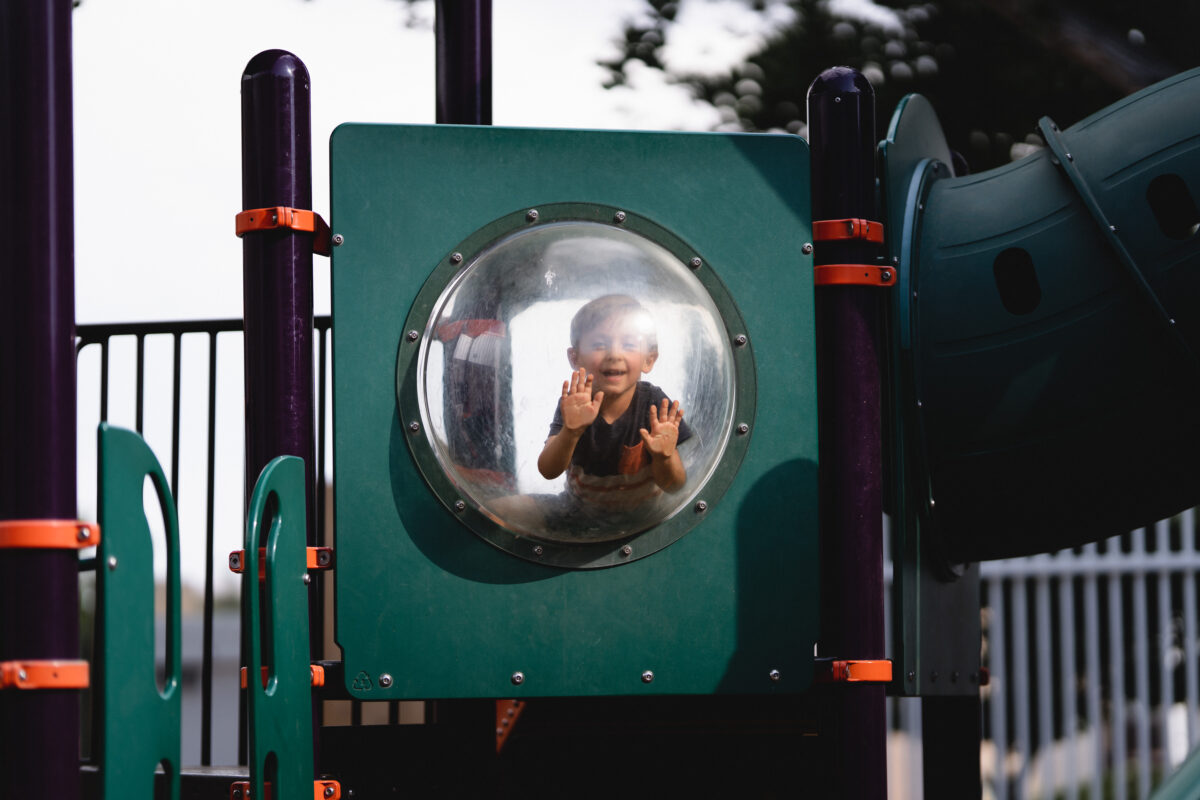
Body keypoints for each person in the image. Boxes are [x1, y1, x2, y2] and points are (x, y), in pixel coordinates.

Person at [537, 294, 692, 513]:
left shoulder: (654, 404)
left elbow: (675, 486)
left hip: (646, 520)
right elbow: (548, 470)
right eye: (600, 344)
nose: (614, 354)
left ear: (649, 359)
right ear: (575, 358)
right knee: (502, 510)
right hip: (578, 515)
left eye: (628, 344)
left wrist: (663, 456)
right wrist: (571, 432)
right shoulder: (575, 404)